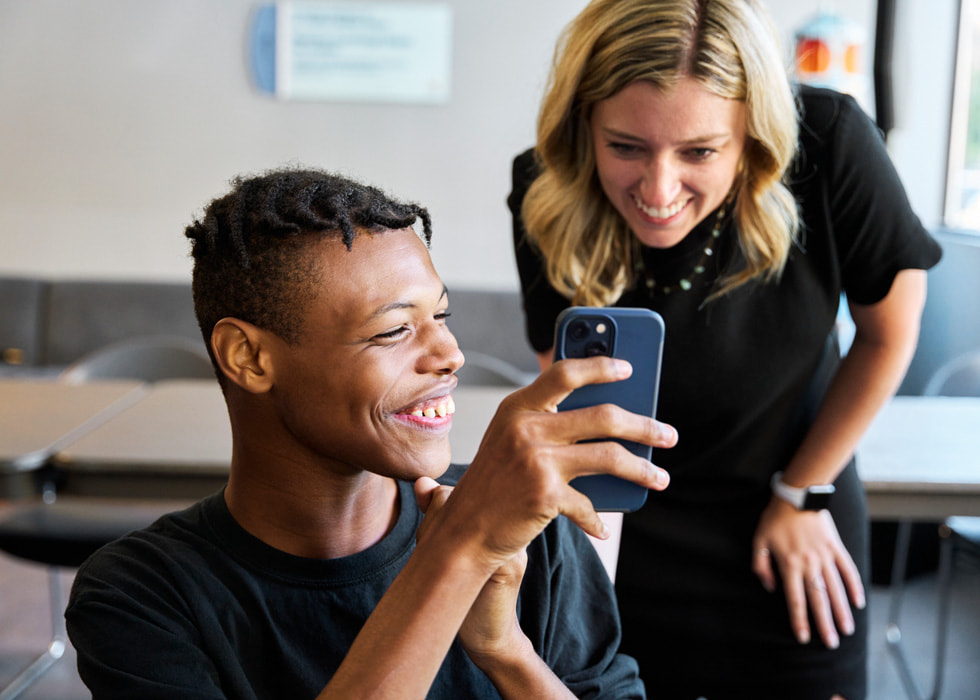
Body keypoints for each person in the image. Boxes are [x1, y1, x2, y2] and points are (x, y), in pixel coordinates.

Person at [65, 168, 679, 699]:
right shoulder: (142, 596)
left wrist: (505, 649)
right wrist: (457, 554)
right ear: (248, 358)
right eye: (393, 331)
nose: (450, 354)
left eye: (440, 316)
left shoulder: (526, 536)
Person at [508, 1, 943, 698]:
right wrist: (583, 585)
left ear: (754, 134)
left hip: (795, 507)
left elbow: (891, 332)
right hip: (632, 529)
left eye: (700, 152)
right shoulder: (545, 189)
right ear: (583, 122)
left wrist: (800, 493)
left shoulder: (828, 145)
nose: (658, 190)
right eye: (626, 147)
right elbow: (579, 416)